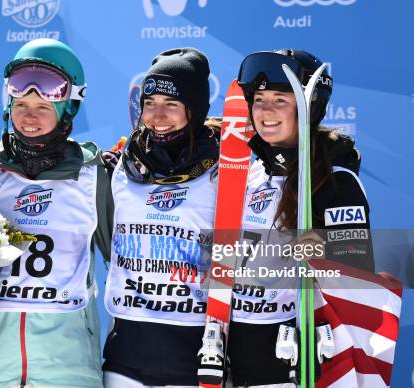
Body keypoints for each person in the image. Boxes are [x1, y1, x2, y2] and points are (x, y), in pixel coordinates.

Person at [0, 38, 113, 387]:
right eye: (21, 103)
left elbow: (129, 261)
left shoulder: (94, 176)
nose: (29, 116)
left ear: (68, 109)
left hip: (67, 371)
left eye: (44, 106)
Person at [227, 49, 374, 387]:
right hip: (240, 365)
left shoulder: (336, 182)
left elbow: (356, 280)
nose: (265, 110)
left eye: (281, 99)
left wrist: (325, 251)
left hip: (300, 366)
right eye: (259, 98)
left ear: (309, 107)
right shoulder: (250, 176)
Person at [102, 47, 221, 387]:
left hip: (194, 356)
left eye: (171, 105)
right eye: (150, 103)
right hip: (126, 354)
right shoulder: (122, 165)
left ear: (194, 110)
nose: (158, 115)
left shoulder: (223, 169)